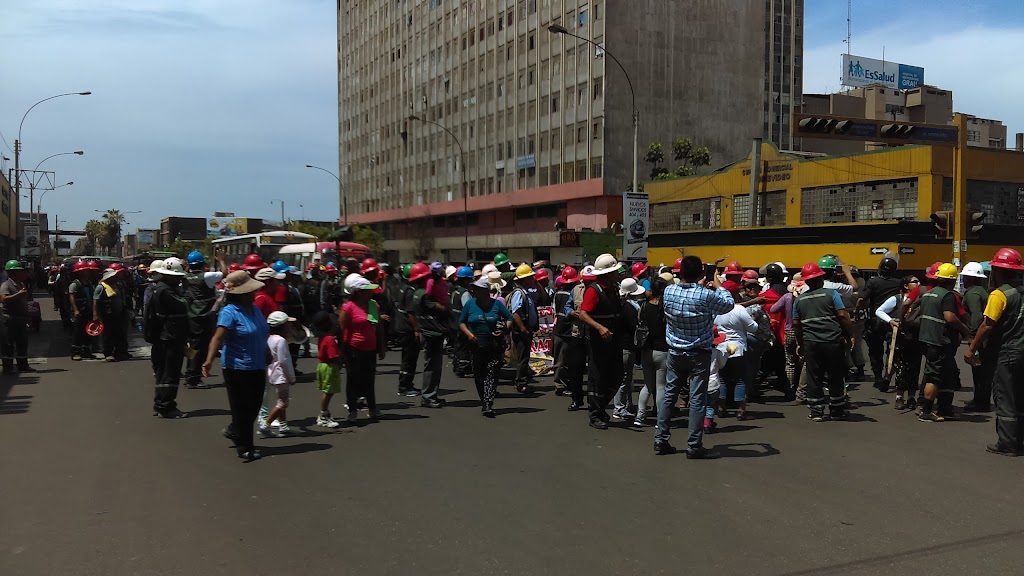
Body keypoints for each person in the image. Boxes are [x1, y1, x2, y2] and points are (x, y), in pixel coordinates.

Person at [657, 255, 735, 456]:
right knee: (698, 399)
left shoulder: (669, 291)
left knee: (669, 396)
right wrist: (718, 285)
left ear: (680, 272)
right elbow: (728, 304)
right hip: (698, 352)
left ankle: (661, 439)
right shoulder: (705, 295)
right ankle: (694, 445)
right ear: (701, 273)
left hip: (675, 351)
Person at [203, 270, 270, 460]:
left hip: (257, 364)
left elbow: (261, 332)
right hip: (237, 367)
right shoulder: (229, 312)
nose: (254, 294)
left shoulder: (255, 310)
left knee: (255, 405)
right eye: (250, 291)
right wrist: (209, 360)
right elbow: (218, 338)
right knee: (242, 408)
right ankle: (245, 447)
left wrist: (267, 351)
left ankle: (235, 430)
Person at [965, 248, 1024, 455]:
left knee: (1005, 397)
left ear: (997, 271)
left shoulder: (999, 295)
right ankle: (1019, 440)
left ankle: (1007, 444)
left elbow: (987, 325)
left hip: (1007, 352)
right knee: (1020, 397)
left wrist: (972, 348)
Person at [793, 262, 856, 422]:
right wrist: (851, 334)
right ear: (821, 279)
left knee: (814, 376)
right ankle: (837, 410)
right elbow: (842, 315)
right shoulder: (831, 294)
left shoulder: (799, 300)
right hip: (832, 341)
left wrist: (800, 343)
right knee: (835, 375)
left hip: (811, 343)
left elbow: (796, 325)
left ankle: (816, 411)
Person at [574, 254, 625, 430]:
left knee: (617, 375)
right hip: (598, 340)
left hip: (614, 339)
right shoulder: (593, 290)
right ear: (608, 273)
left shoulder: (615, 288)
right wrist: (599, 327)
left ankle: (600, 406)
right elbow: (583, 314)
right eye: (615, 271)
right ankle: (595, 414)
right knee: (598, 377)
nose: (618, 274)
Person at [917, 263, 970, 422]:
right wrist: (965, 330)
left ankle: (944, 408)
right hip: (939, 341)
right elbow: (950, 317)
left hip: (927, 339)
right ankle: (926, 411)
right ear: (952, 280)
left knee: (945, 374)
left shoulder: (928, 294)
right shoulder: (948, 296)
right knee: (934, 376)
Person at [459, 276, 513, 416]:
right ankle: (484, 400)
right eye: (474, 289)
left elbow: (509, 318)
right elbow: (461, 322)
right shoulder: (470, 304)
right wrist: (469, 335)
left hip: (493, 344)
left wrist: (504, 330)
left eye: (477, 289)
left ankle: (488, 403)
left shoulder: (497, 304)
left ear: (485, 291)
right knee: (479, 374)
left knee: (491, 373)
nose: (475, 292)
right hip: (476, 344)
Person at [150, 258, 190, 419]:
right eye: (177, 277)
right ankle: (166, 406)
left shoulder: (161, 288)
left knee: (164, 372)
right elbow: (185, 304)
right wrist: (186, 288)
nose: (179, 279)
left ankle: (160, 403)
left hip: (167, 336)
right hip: (170, 337)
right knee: (170, 373)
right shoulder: (166, 291)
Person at [875, 275, 922, 411]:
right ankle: (899, 396)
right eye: (914, 282)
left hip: (916, 337)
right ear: (906, 286)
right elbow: (879, 311)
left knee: (915, 367)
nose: (918, 284)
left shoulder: (921, 298)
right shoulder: (897, 299)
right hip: (900, 337)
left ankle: (911, 396)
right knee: (901, 366)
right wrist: (890, 320)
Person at [339, 274, 382, 421]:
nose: (370, 292)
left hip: (370, 348)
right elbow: (342, 330)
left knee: (369, 379)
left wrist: (381, 347)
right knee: (353, 379)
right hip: (353, 348)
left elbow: (379, 327)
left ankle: (372, 408)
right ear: (358, 292)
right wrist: (341, 352)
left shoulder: (373, 305)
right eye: (367, 290)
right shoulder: (348, 307)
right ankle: (352, 410)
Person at [713, 289, 759, 420]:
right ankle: (741, 410)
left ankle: (721, 407)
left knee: (722, 377)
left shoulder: (715, 310)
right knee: (741, 378)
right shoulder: (738, 309)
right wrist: (753, 319)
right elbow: (753, 328)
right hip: (737, 347)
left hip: (721, 346)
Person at [859, 257, 902, 392]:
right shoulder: (899, 283)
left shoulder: (873, 282)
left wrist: (857, 312)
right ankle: (887, 376)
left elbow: (862, 299)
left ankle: (878, 377)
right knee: (892, 350)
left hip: (875, 320)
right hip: (892, 320)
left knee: (875, 351)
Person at [409, 262, 449, 408]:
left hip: (429, 331)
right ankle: (428, 396)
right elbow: (441, 308)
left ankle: (431, 395)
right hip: (432, 332)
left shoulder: (418, 292)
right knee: (432, 366)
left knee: (433, 365)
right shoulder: (425, 295)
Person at [183, 251, 225, 388]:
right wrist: (221, 260)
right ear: (202, 264)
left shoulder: (185, 277)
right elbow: (224, 273)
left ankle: (190, 373)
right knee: (200, 348)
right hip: (203, 317)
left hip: (191, 316)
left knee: (193, 347)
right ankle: (193, 378)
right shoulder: (206, 276)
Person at [634, 278, 669, 427]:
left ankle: (640, 416)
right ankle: (660, 419)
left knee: (647, 385)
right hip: (663, 350)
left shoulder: (644, 306)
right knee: (661, 386)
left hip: (646, 349)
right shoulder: (666, 308)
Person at [960, 262, 992, 412]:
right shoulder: (980, 291)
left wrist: (972, 336)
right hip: (984, 337)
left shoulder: (973, 294)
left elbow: (976, 316)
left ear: (970, 278)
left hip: (979, 338)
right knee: (981, 371)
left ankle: (981, 402)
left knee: (979, 371)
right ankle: (980, 400)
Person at [259, 311, 296, 437]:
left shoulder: (269, 339)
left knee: (281, 400)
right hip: (282, 376)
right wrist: (291, 377)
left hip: (273, 374)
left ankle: (283, 425)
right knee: (283, 403)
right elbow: (283, 361)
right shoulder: (281, 341)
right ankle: (266, 425)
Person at [614, 277, 646, 420]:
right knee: (624, 378)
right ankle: (619, 408)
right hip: (627, 346)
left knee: (627, 378)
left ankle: (627, 405)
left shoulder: (621, 305)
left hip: (622, 345)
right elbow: (634, 327)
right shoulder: (630, 308)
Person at [509, 263, 540, 394]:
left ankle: (523, 380)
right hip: (522, 331)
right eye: (531, 277)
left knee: (525, 356)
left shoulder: (526, 292)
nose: (533, 279)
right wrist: (523, 329)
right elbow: (515, 313)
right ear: (525, 279)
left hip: (526, 330)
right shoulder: (519, 293)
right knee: (523, 357)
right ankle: (521, 383)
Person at [0, 260, 35, 374]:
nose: (20, 273)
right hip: (9, 318)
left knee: (22, 342)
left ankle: (23, 365)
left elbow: (24, 302)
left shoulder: (21, 284)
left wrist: (28, 316)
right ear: (11, 273)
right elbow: (3, 299)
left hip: (21, 318)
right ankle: (8, 367)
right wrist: (18, 294)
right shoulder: (6, 285)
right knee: (8, 344)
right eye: (17, 271)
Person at [93, 267, 128, 362]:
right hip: (107, 314)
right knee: (108, 334)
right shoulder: (101, 287)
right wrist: (95, 315)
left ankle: (119, 352)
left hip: (119, 313)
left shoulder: (118, 285)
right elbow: (95, 301)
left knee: (119, 333)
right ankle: (108, 353)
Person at [68, 260, 101, 361]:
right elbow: (72, 298)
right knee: (78, 332)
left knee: (88, 332)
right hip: (79, 312)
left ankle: (86, 351)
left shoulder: (89, 283)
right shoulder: (74, 284)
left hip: (88, 311)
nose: (87, 273)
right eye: (84, 271)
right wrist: (75, 310)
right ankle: (76, 352)